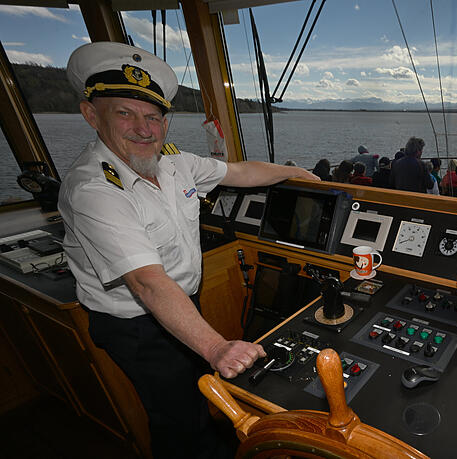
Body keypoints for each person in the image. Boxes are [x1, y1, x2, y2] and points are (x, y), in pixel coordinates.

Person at [59, 42, 319, 459]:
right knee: (176, 417)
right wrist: (216, 348)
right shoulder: (95, 188)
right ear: (92, 115)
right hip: (136, 324)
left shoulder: (173, 162)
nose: (143, 129)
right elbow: (147, 283)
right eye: (124, 114)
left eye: (152, 117)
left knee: (196, 396)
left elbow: (239, 172)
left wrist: (295, 171)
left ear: (164, 122)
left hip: (181, 303)